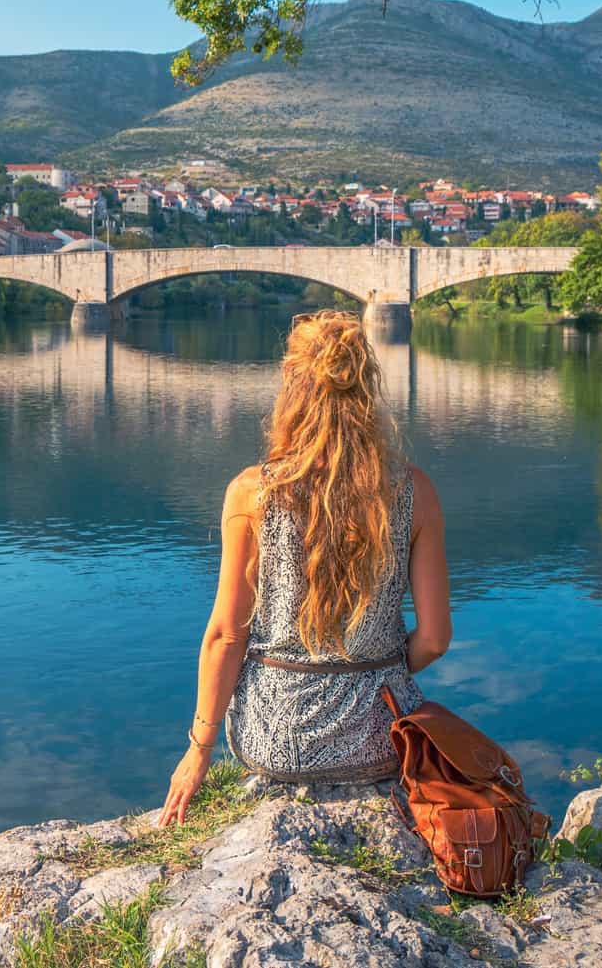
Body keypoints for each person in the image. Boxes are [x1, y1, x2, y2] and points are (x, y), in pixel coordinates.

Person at [160, 310, 449, 824]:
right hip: (379, 737)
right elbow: (434, 639)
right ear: (366, 390)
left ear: (291, 388)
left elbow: (227, 636)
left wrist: (198, 750)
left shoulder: (254, 492)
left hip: (274, 740)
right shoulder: (413, 492)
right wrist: (377, 674)